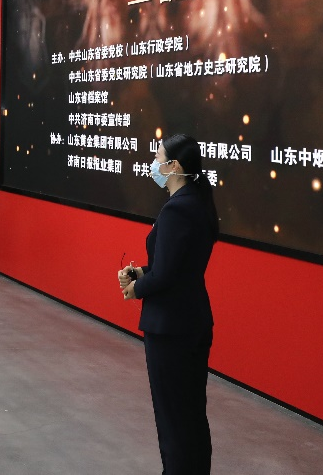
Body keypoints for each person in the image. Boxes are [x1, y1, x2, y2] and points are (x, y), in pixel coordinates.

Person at [119, 134, 219, 475]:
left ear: (174, 166)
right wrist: (142, 272)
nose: (153, 164)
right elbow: (176, 266)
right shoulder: (196, 202)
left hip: (170, 327)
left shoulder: (177, 208)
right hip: (192, 321)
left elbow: (166, 276)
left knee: (173, 420)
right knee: (191, 414)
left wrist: (136, 287)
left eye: (158, 157)